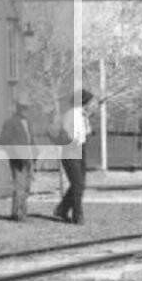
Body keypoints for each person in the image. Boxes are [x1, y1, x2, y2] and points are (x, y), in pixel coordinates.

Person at [52, 89, 96, 225]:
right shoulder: (71, 114)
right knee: (77, 184)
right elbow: (66, 132)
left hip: (81, 149)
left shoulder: (83, 115)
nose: (91, 104)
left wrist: (87, 119)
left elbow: (87, 132)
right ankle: (77, 216)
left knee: (80, 184)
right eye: (89, 102)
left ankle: (62, 209)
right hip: (70, 151)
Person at [0, 92, 38, 221]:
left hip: (29, 159)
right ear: (18, 107)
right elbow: (3, 142)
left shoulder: (28, 122)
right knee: (20, 187)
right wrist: (15, 154)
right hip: (18, 160)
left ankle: (23, 212)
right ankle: (17, 214)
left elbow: (31, 140)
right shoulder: (10, 122)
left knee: (26, 187)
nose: (26, 110)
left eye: (27, 107)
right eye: (23, 107)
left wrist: (35, 155)